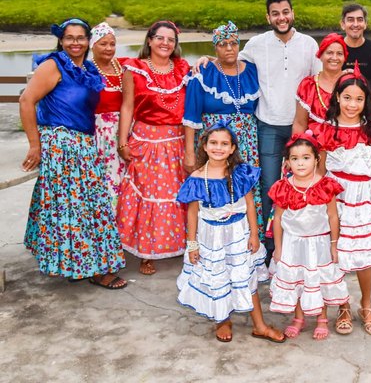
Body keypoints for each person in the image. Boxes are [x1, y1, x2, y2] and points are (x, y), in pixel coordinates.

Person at [19, 18, 126, 289]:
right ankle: (91, 268)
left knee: (91, 206)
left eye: (81, 37)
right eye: (70, 38)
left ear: (88, 40)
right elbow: (26, 101)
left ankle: (85, 263)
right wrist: (35, 144)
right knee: (76, 208)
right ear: (61, 40)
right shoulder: (53, 65)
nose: (75, 43)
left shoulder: (87, 68)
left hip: (84, 144)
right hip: (61, 144)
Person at [293, 32, 371, 248]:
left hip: (356, 149)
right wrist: (296, 153)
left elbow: (366, 118)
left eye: (339, 53)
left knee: (370, 189)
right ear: (320, 55)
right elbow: (299, 123)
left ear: (345, 57)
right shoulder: (308, 84)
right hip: (317, 151)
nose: (334, 57)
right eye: (329, 52)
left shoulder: (353, 82)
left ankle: (364, 243)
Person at [176, 122, 285, 343]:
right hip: (211, 237)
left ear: (233, 148)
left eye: (224, 143)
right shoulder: (197, 177)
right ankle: (223, 320)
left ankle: (260, 325)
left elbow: (250, 206)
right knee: (218, 278)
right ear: (204, 146)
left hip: (239, 234)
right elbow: (192, 213)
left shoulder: (241, 173)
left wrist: (255, 234)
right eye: (214, 143)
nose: (219, 147)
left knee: (245, 277)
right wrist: (192, 244)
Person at [239, 0, 321, 256]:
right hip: (269, 125)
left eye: (285, 12)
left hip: (301, 126)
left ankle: (302, 239)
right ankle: (269, 245)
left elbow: (319, 81)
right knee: (271, 184)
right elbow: (231, 64)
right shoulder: (255, 44)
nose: (281, 17)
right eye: (275, 13)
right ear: (268, 17)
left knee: (305, 182)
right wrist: (206, 61)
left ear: (292, 13)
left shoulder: (308, 44)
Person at [315, 65, 371, 336]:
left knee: (364, 255)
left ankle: (366, 305)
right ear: (337, 97)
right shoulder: (326, 130)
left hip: (366, 198)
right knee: (337, 254)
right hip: (337, 200)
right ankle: (343, 305)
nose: (352, 104)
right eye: (347, 97)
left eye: (359, 99)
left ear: (366, 101)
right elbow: (320, 172)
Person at [117, 20, 191, 276]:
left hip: (176, 142)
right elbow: (126, 107)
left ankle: (180, 245)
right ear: (149, 40)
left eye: (171, 40)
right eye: (160, 38)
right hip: (146, 141)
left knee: (176, 195)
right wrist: (122, 141)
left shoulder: (183, 68)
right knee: (148, 196)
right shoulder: (134, 69)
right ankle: (146, 252)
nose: (165, 43)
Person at [183, 21, 264, 228]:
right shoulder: (202, 71)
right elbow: (191, 115)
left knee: (246, 190)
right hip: (214, 144)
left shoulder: (253, 70)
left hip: (246, 143)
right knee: (214, 188)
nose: (229, 48)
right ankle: (212, 239)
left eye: (233, 43)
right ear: (215, 47)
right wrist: (190, 154)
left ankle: (251, 237)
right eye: (222, 44)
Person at [268, 132, 349, 340]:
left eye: (306, 158)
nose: (301, 163)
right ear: (287, 163)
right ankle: (298, 317)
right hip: (293, 244)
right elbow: (277, 219)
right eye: (295, 159)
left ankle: (322, 318)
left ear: (316, 159)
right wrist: (278, 247)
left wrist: (333, 244)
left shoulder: (325, 185)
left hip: (319, 243)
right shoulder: (283, 187)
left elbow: (333, 216)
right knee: (297, 280)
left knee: (317, 279)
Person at [90, 22, 128, 214]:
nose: (108, 48)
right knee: (107, 178)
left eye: (112, 44)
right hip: (101, 134)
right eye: (103, 44)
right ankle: (106, 223)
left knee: (127, 178)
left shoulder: (124, 65)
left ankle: (125, 225)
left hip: (126, 130)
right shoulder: (87, 70)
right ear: (92, 45)